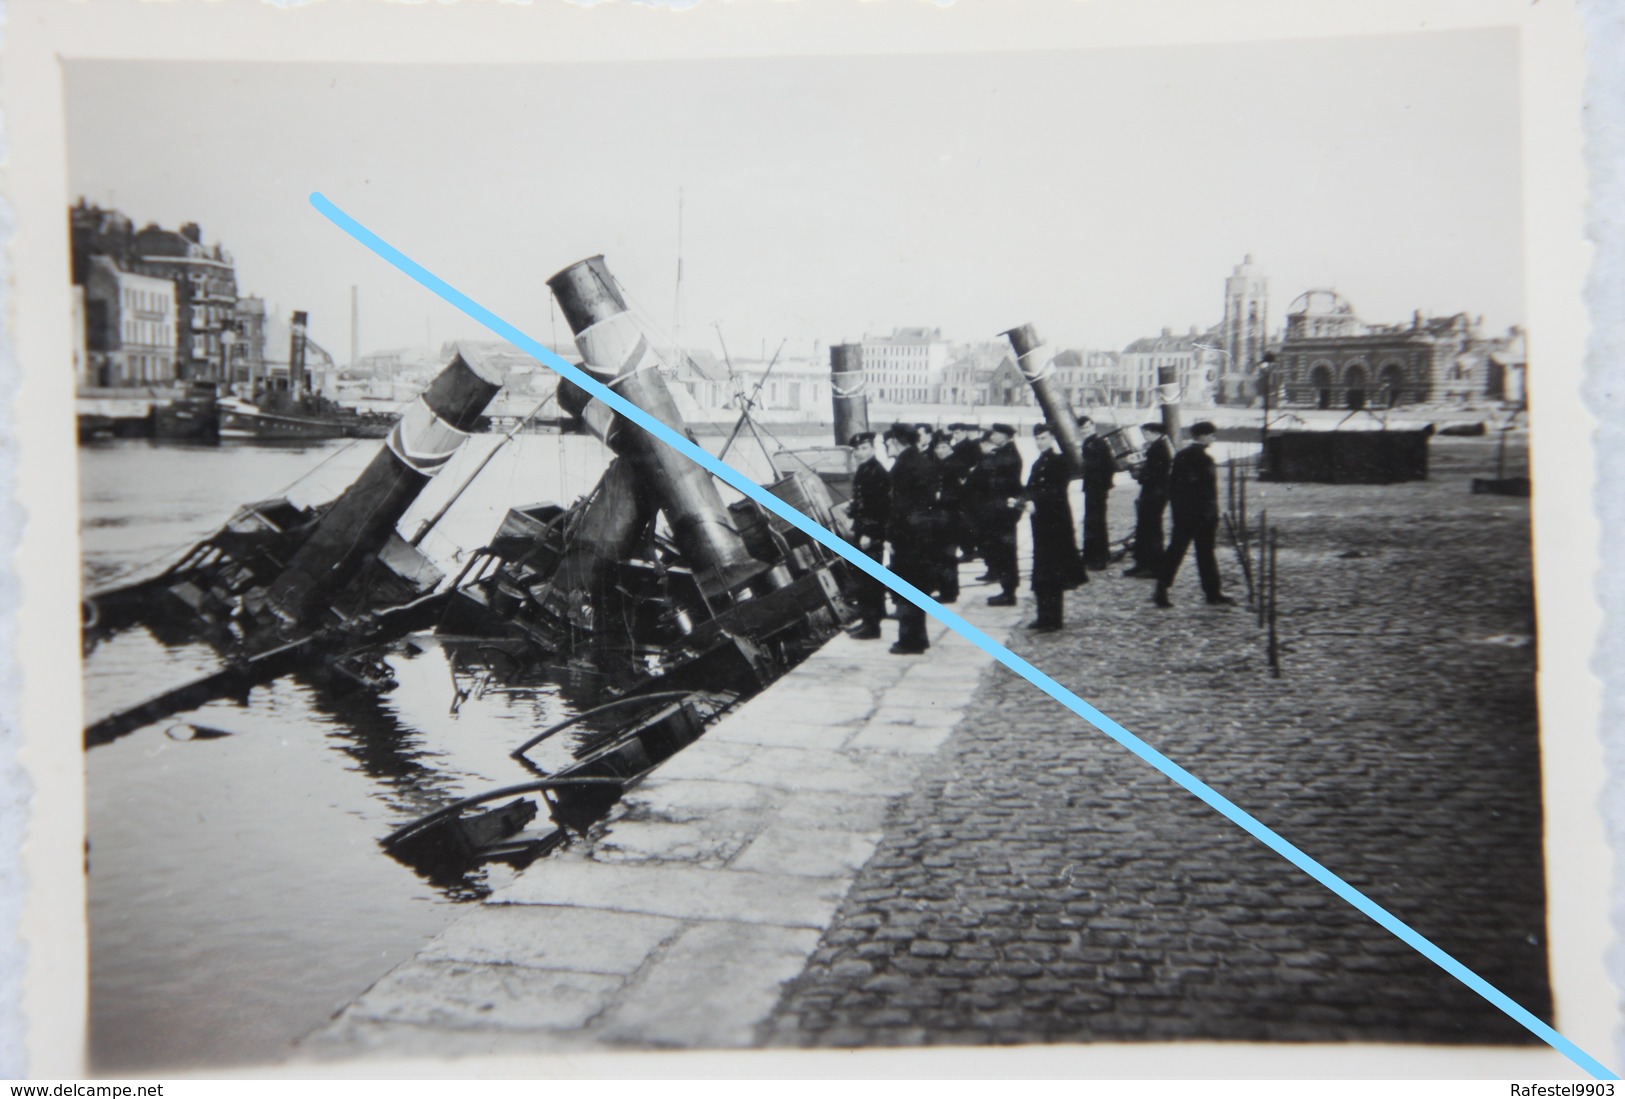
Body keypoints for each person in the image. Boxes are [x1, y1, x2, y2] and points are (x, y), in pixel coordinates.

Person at [1153, 421, 1236, 608]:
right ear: (1203, 436)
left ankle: (1162, 588)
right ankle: (1212, 592)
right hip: (1202, 516)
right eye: (1211, 435)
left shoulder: (1181, 456)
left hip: (1184, 515)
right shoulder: (1204, 459)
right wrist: (1210, 514)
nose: (1213, 439)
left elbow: (1174, 488)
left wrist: (1178, 513)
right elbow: (1206, 492)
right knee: (1205, 554)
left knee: (1176, 552)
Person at [1019, 423, 1087, 631]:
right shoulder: (1039, 462)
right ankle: (1043, 616)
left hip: (1055, 525)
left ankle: (1053, 619)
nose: (1040, 442)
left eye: (1044, 438)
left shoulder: (1059, 462)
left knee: (1053, 572)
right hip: (1041, 524)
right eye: (1038, 439)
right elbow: (1030, 487)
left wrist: (1034, 501)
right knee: (1042, 570)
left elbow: (1055, 491)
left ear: (1053, 440)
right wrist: (1024, 498)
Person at [884, 423, 937, 653]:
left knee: (906, 588)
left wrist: (890, 536)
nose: (886, 446)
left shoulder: (904, 466)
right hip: (923, 534)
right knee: (917, 586)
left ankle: (909, 641)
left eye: (887, 443)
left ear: (896, 441)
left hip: (908, 536)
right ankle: (919, 637)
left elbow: (900, 507)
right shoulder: (922, 461)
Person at [964, 423, 1022, 606]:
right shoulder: (1002, 453)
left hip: (1002, 511)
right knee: (1001, 550)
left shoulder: (1008, 455)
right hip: (997, 510)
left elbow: (995, 479)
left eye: (996, 433)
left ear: (1005, 436)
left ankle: (1008, 592)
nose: (993, 436)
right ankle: (1006, 589)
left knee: (1006, 552)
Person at [844, 431, 889, 639]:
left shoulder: (877, 472)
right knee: (870, 576)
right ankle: (874, 615)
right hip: (863, 528)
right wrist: (852, 509)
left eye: (864, 448)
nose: (860, 453)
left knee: (867, 579)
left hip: (869, 533)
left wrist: (869, 534)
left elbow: (879, 508)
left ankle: (871, 627)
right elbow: (864, 503)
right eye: (857, 449)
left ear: (872, 448)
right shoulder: (865, 469)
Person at [1124, 421, 1173, 578]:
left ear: (1155, 433)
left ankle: (1153, 567)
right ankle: (1143, 563)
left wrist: (1135, 471)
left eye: (1146, 433)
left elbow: (1152, 474)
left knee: (1151, 530)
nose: (1145, 436)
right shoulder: (1158, 447)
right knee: (1145, 528)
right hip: (1154, 493)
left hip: (1154, 494)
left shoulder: (1158, 449)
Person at [1078, 415, 1118, 570]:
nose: (1085, 431)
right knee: (1091, 522)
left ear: (1093, 427)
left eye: (1087, 427)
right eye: (1083, 429)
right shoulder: (1088, 443)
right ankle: (1091, 556)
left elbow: (1110, 466)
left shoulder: (1100, 444)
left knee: (1097, 523)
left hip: (1097, 490)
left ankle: (1099, 559)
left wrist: (1103, 487)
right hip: (1091, 489)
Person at [930, 430, 962, 603]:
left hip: (952, 518)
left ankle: (949, 592)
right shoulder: (938, 465)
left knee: (948, 555)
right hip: (941, 518)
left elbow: (962, 494)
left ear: (951, 447)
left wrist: (940, 497)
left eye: (944, 446)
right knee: (941, 555)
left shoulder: (956, 466)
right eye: (938, 447)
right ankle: (945, 588)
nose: (940, 450)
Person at [947, 425, 986, 562]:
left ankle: (969, 550)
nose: (955, 435)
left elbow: (976, 466)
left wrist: (965, 475)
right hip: (959, 489)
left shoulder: (971, 447)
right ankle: (970, 549)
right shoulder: (956, 447)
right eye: (953, 433)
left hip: (968, 490)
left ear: (964, 432)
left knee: (968, 521)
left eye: (957, 432)